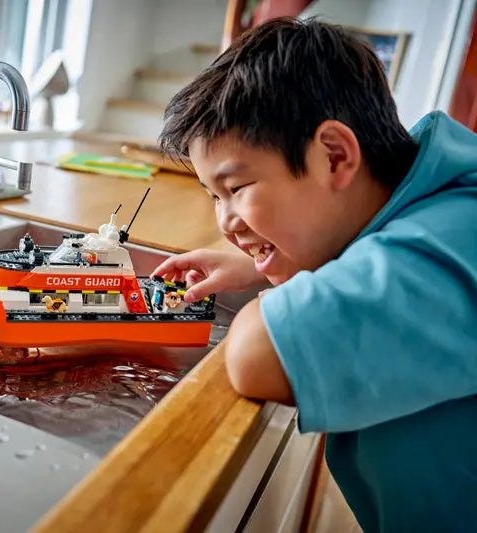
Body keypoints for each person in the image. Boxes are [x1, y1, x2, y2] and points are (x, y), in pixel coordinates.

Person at [152, 18, 477, 531]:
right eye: (214, 197)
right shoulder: (432, 200)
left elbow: (258, 355)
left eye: (236, 187)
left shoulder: (452, 240)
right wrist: (267, 262)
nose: (224, 222)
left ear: (335, 155)